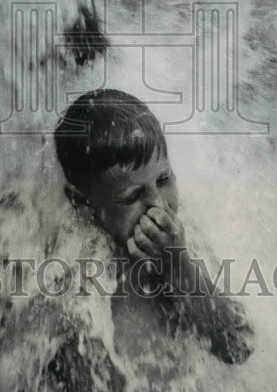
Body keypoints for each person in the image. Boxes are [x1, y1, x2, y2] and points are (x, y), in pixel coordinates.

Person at [54, 88, 255, 365]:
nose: (158, 205)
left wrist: (177, 264)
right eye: (132, 196)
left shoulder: (181, 238)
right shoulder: (75, 275)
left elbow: (239, 347)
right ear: (83, 204)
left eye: (163, 180)